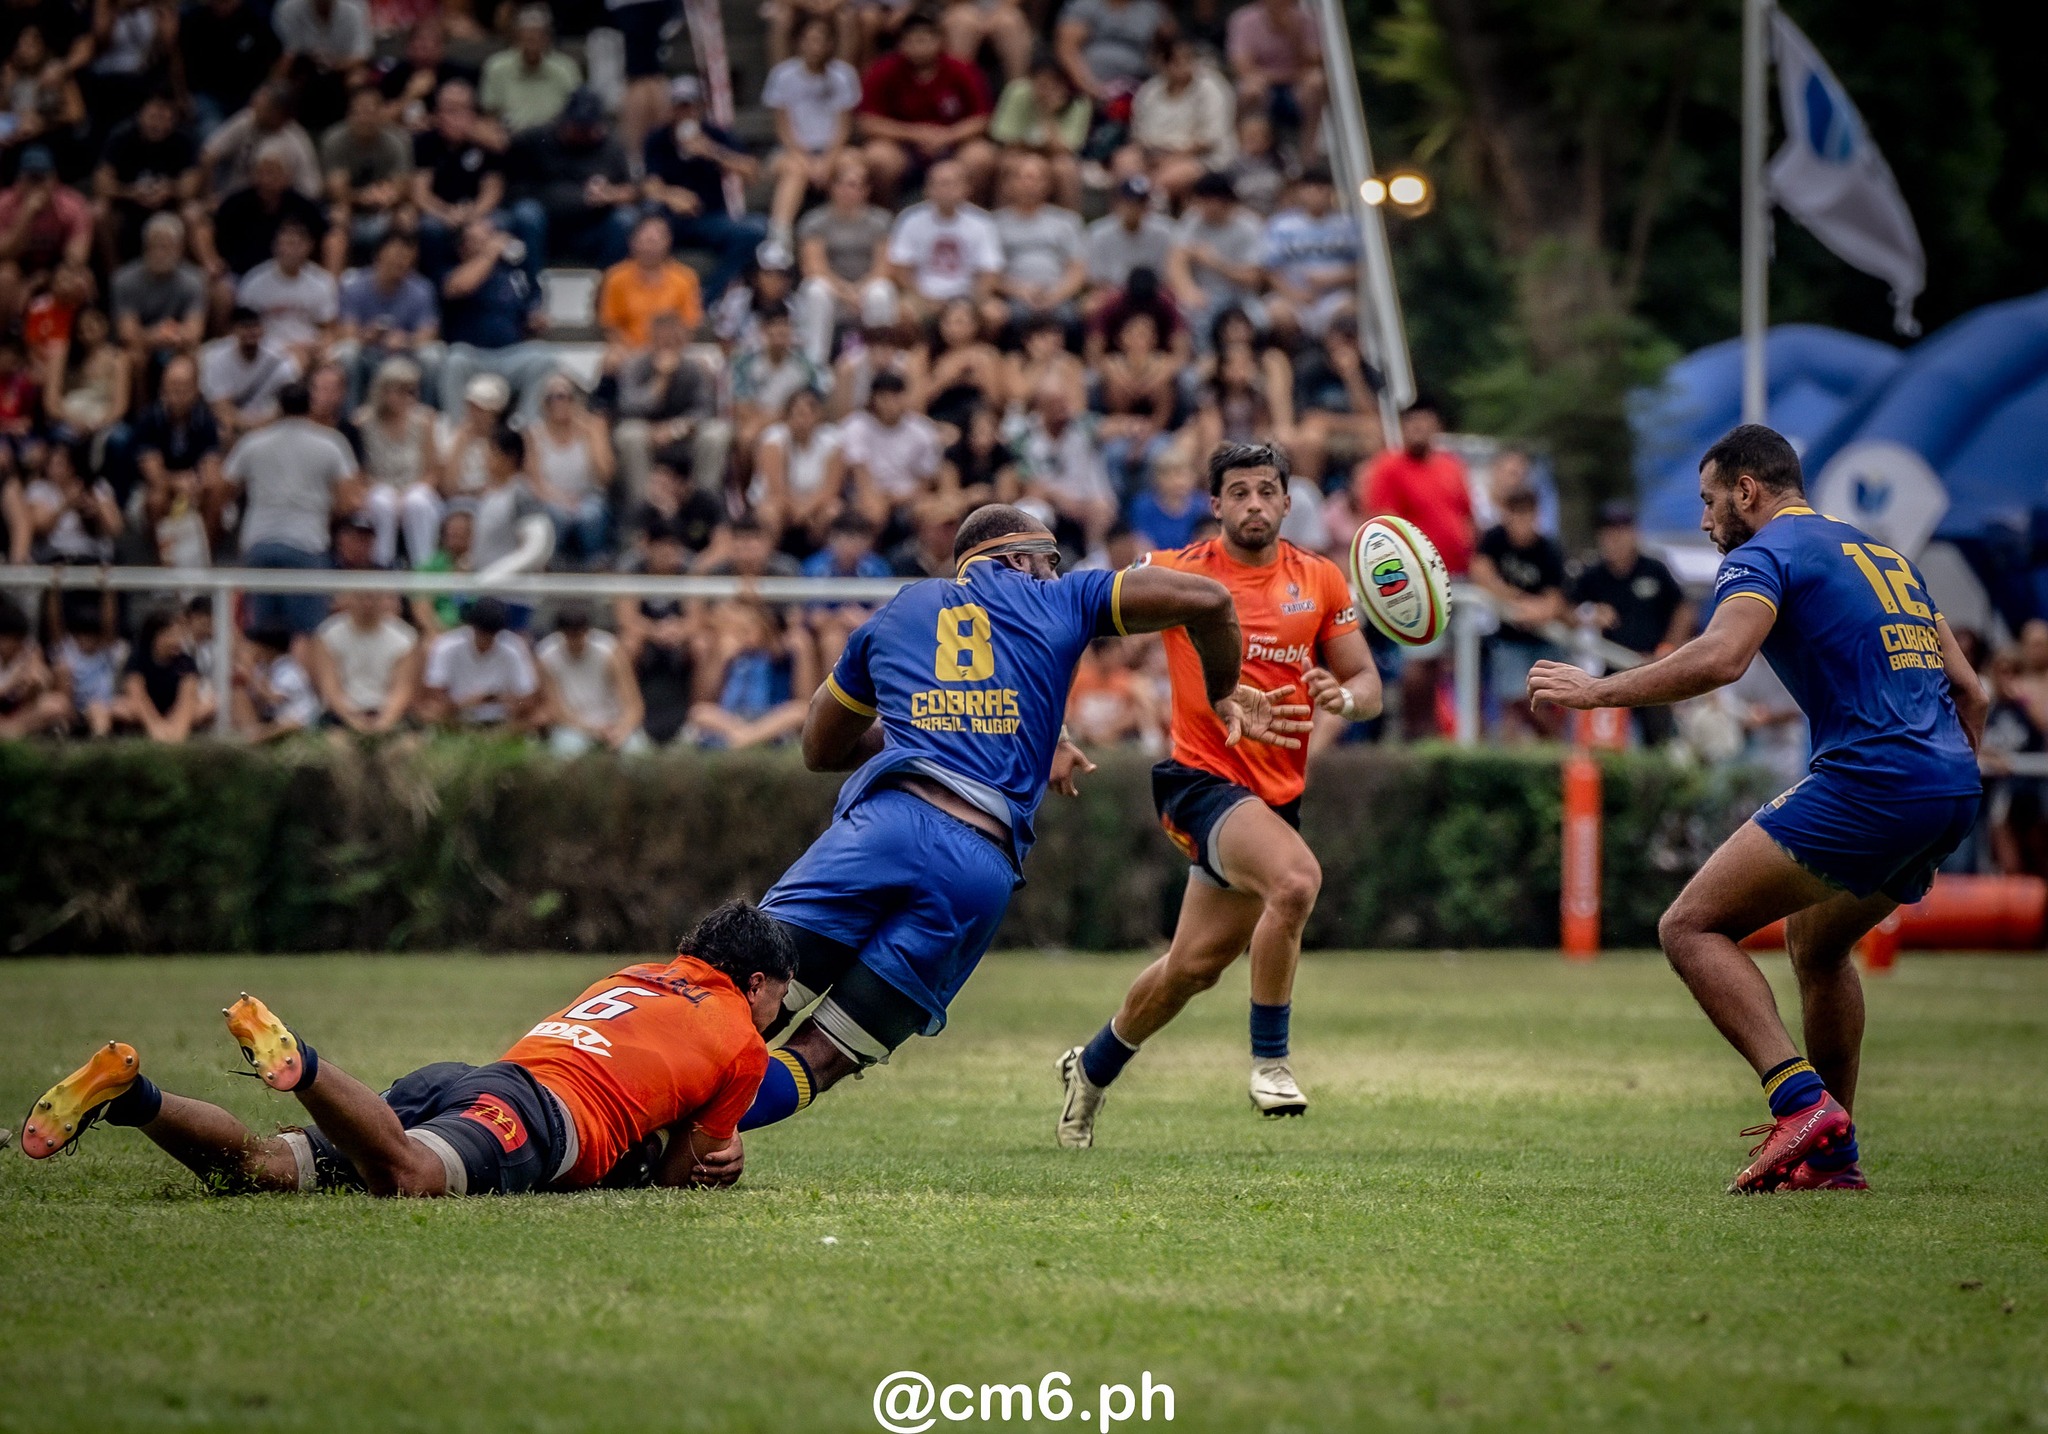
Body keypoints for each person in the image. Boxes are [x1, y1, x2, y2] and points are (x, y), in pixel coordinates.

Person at [731, 502, 1303, 1133]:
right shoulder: (1060, 600)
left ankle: (643, 1117)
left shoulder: (904, 607)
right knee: (825, 1053)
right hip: (979, 867)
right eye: (1049, 563)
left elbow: (819, 748)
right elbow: (1210, 601)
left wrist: (924, 734)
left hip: (886, 830)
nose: (1056, 575)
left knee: (742, 992)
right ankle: (707, 1136)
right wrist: (1222, 690)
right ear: (1017, 559)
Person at [1528, 424, 1988, 1193]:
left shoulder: (1765, 553)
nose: (1707, 522)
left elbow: (1722, 657)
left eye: (1710, 503)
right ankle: (1834, 1154)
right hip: (1949, 788)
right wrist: (1940, 807)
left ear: (1748, 490)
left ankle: (1800, 1103)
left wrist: (1596, 690)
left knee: (1689, 926)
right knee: (1816, 945)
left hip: (1872, 782)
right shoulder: (1884, 556)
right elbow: (1970, 690)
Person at [18, 901, 797, 1196]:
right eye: (780, 999)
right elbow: (674, 1175)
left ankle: (132, 1092)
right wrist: (711, 1167)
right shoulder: (741, 1040)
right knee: (407, 1177)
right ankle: (305, 1067)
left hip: (473, 1080)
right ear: (755, 981)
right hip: (537, 1117)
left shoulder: (637, 974)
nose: (777, 1015)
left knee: (255, 1169)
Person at [1056, 441, 1376, 1145]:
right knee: (1296, 882)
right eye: (1239, 492)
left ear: (1289, 502)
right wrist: (1054, 728)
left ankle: (1093, 1067)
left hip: (1273, 798)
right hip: (1200, 781)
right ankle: (1271, 1062)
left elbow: (1366, 684)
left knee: (1192, 969)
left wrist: (1343, 702)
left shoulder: (1320, 580)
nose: (1254, 504)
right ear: (1215, 504)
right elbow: (1069, 621)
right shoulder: (1177, 572)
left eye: (1267, 491)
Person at [1360, 395, 1471, 740]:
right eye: (1412, 423)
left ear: (1435, 426)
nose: (1419, 429)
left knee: (1443, 662)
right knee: (1418, 662)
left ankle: (1434, 730)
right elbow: (1383, 526)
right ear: (1404, 428)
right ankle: (1410, 731)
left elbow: (1466, 516)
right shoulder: (1390, 468)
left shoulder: (1451, 466)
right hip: (1416, 582)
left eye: (1425, 422)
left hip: (1458, 577)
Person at [221, 380, 362, 634]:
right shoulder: (331, 444)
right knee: (309, 634)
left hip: (259, 544)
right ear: (310, 405)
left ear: (278, 407)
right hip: (306, 544)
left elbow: (224, 489)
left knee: (261, 634)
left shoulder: (253, 443)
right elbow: (349, 501)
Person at [1568, 500, 1692, 745]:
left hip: (1651, 667)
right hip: (1611, 670)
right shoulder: (1593, 575)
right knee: (1607, 742)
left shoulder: (1654, 569)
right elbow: (1565, 609)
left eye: (1621, 531)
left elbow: (1683, 609)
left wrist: (1668, 649)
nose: (1615, 539)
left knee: (1657, 737)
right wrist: (1590, 614)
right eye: (1609, 532)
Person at [640, 75, 766, 305]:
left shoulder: (714, 134)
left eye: (690, 107)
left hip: (711, 217)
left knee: (755, 230)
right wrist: (671, 196)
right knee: (642, 230)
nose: (685, 113)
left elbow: (752, 171)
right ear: (671, 109)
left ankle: (707, 300)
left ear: (700, 108)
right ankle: (654, 298)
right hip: (671, 219)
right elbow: (649, 184)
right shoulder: (658, 138)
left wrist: (713, 152)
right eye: (679, 107)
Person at [855, 11, 994, 203]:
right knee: (877, 157)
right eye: (911, 41)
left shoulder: (962, 69)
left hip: (952, 144)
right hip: (903, 147)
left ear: (940, 41)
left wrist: (948, 135)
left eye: (924, 40)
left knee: (980, 157)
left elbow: (982, 119)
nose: (918, 47)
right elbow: (868, 122)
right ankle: (887, 215)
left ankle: (971, 217)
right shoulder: (883, 70)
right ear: (900, 44)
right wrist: (914, 133)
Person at [503, 88, 639, 271]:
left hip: (591, 229)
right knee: (526, 213)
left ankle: (608, 289)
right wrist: (573, 198)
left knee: (626, 219)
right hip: (545, 228)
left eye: (589, 127)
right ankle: (531, 290)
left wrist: (610, 195)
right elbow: (514, 188)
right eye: (578, 126)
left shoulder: (611, 147)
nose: (583, 132)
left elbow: (631, 191)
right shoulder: (536, 139)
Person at [1471, 484, 1566, 740]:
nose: (1520, 521)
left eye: (1527, 514)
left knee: (1544, 700)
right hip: (1508, 639)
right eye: (1515, 513)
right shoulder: (1494, 539)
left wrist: (1533, 610)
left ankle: (1553, 743)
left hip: (1543, 639)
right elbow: (1480, 571)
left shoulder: (1549, 549)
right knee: (1513, 701)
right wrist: (1515, 600)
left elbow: (1555, 601)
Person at [764, 15, 863, 241]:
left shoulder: (843, 74)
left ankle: (855, 228)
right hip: (792, 150)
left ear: (830, 43)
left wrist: (827, 160)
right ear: (799, 42)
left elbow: (844, 127)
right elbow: (783, 127)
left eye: (820, 40)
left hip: (833, 150)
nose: (814, 46)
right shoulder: (783, 74)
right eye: (808, 39)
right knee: (795, 170)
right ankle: (779, 238)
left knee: (855, 166)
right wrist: (804, 158)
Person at [794, 156, 894, 365]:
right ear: (833, 188)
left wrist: (859, 291)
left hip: (865, 287)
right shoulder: (815, 222)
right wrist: (846, 293)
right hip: (833, 288)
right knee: (815, 290)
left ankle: (878, 359)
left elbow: (882, 267)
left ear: (866, 191)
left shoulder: (880, 222)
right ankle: (815, 361)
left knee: (881, 292)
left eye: (858, 186)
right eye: (846, 185)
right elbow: (814, 267)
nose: (851, 191)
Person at [883, 158, 1001, 320]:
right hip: (922, 295)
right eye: (940, 184)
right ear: (927, 189)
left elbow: (990, 271)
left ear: (966, 188)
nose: (946, 190)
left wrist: (972, 303)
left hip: (966, 297)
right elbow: (900, 268)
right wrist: (921, 299)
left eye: (952, 184)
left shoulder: (982, 222)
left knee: (994, 314)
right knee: (902, 312)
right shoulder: (910, 219)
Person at [1124, 33, 1234, 205]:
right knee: (1124, 162)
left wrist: (1169, 159)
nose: (1184, 66)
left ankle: (1157, 224)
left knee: (1162, 181)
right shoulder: (1150, 90)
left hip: (1200, 157)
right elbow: (1138, 134)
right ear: (1162, 63)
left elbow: (1209, 140)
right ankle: (1125, 219)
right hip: (1153, 153)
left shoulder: (1211, 88)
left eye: (1189, 60)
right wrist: (1150, 156)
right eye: (1177, 61)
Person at [333, 232, 440, 406]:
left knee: (432, 355)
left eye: (406, 258)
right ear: (378, 257)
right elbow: (346, 333)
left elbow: (429, 333)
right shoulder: (355, 286)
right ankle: (349, 416)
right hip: (368, 354)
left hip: (405, 355)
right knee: (347, 351)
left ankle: (425, 415)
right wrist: (367, 336)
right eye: (395, 256)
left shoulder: (422, 288)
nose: (400, 262)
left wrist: (406, 340)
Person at [987, 151, 1085, 335]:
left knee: (1072, 318)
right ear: (1010, 184)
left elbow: (1077, 270)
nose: (1028, 184)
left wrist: (1055, 296)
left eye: (1036, 178)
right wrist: (1019, 291)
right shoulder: (993, 224)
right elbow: (989, 274)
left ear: (1048, 185)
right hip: (1013, 298)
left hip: (1057, 296)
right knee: (1001, 316)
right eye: (1023, 178)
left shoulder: (1067, 222)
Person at [1166, 170, 1266, 342]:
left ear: (1223, 202)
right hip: (1204, 297)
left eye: (1207, 201)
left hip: (1240, 298)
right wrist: (1188, 290)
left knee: (1261, 321)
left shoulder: (1249, 226)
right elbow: (1176, 261)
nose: (1201, 207)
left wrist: (1216, 262)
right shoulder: (1192, 220)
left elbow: (1254, 277)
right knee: (1184, 318)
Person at [1259, 162, 1355, 341]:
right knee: (1276, 312)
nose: (1315, 194)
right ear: (1300, 191)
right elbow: (1269, 271)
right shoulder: (1281, 225)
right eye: (1309, 188)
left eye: (1321, 188)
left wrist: (1331, 278)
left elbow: (1360, 269)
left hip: (1332, 297)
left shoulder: (1346, 225)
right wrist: (1295, 295)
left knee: (1349, 308)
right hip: (1293, 298)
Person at [320, 83, 413, 266]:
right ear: (349, 114)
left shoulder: (398, 140)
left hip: (385, 206)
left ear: (381, 113)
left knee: (407, 216)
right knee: (339, 215)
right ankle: (335, 284)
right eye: (359, 112)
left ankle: (401, 279)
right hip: (350, 207)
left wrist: (389, 195)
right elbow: (337, 191)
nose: (365, 118)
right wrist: (363, 197)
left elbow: (403, 186)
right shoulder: (335, 140)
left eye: (371, 112)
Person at [416, 593, 540, 729]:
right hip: (456, 713)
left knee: (535, 716)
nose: (486, 642)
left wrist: (498, 699)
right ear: (473, 629)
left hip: (502, 717)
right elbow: (434, 691)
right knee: (430, 711)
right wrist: (461, 704)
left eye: (491, 637)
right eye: (482, 635)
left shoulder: (514, 648)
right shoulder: (447, 645)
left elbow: (527, 697)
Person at [537, 603, 647, 756]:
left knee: (637, 752)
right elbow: (556, 710)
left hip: (614, 722)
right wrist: (591, 730)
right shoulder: (546, 655)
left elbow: (634, 706)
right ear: (561, 634)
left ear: (587, 631)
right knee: (566, 751)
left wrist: (622, 729)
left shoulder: (609, 650)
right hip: (574, 726)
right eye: (570, 636)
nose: (575, 642)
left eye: (579, 635)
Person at [310, 588, 418, 732]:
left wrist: (384, 722)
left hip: (387, 711)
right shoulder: (327, 635)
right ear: (347, 598)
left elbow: (402, 689)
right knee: (337, 747)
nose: (367, 604)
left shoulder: (405, 637)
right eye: (360, 597)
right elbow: (330, 688)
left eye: (373, 597)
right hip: (342, 714)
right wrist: (353, 720)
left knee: (406, 747)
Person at [1225, 0, 1324, 157]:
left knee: (1316, 82)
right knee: (1250, 89)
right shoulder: (1243, 20)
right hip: (1264, 85)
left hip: (1295, 87)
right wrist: (1275, 76)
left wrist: (1294, 35)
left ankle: (1308, 155)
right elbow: (1241, 65)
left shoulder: (1306, 20)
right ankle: (1245, 152)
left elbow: (1314, 62)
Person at [110, 212, 207, 366]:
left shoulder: (194, 280)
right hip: (143, 345)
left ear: (179, 248)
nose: (159, 253)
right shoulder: (124, 279)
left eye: (165, 246)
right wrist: (157, 335)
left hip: (177, 343)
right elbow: (127, 334)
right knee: (131, 355)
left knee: (196, 353)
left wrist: (171, 335)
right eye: (153, 246)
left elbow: (194, 332)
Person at [597, 213, 704, 351]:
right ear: (632, 242)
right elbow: (610, 325)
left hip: (671, 349)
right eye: (645, 240)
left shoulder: (685, 277)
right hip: (628, 349)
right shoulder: (615, 277)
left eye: (655, 241)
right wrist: (632, 351)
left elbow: (690, 324)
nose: (650, 247)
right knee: (612, 361)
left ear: (668, 241)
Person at [236, 218, 338, 360]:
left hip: (309, 349)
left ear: (309, 246)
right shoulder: (254, 282)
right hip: (266, 351)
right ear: (275, 246)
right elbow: (242, 328)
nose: (291, 250)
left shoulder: (322, 281)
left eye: (297, 244)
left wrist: (321, 346)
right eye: (286, 244)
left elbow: (328, 328)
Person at [478, 5, 580, 135]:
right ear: (517, 38)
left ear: (547, 39)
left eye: (537, 38)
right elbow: (489, 114)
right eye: (527, 39)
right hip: (510, 139)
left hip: (554, 141)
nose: (532, 45)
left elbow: (575, 112)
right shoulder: (496, 67)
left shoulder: (566, 68)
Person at [0, 596, 69, 736]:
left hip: (19, 712)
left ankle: (9, 733)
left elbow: (42, 683)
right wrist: (12, 682)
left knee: (57, 705)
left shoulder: (29, 651)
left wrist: (36, 682)